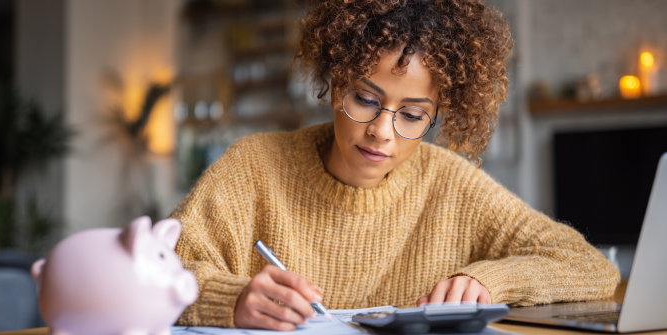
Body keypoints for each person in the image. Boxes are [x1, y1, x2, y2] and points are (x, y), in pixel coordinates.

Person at [171, 0, 620, 331]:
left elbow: (590, 266)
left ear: (436, 115)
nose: (382, 131)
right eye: (365, 99)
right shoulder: (253, 168)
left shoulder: (451, 184)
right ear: (333, 85)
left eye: (411, 115)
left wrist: (489, 279)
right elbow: (156, 272)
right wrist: (230, 300)